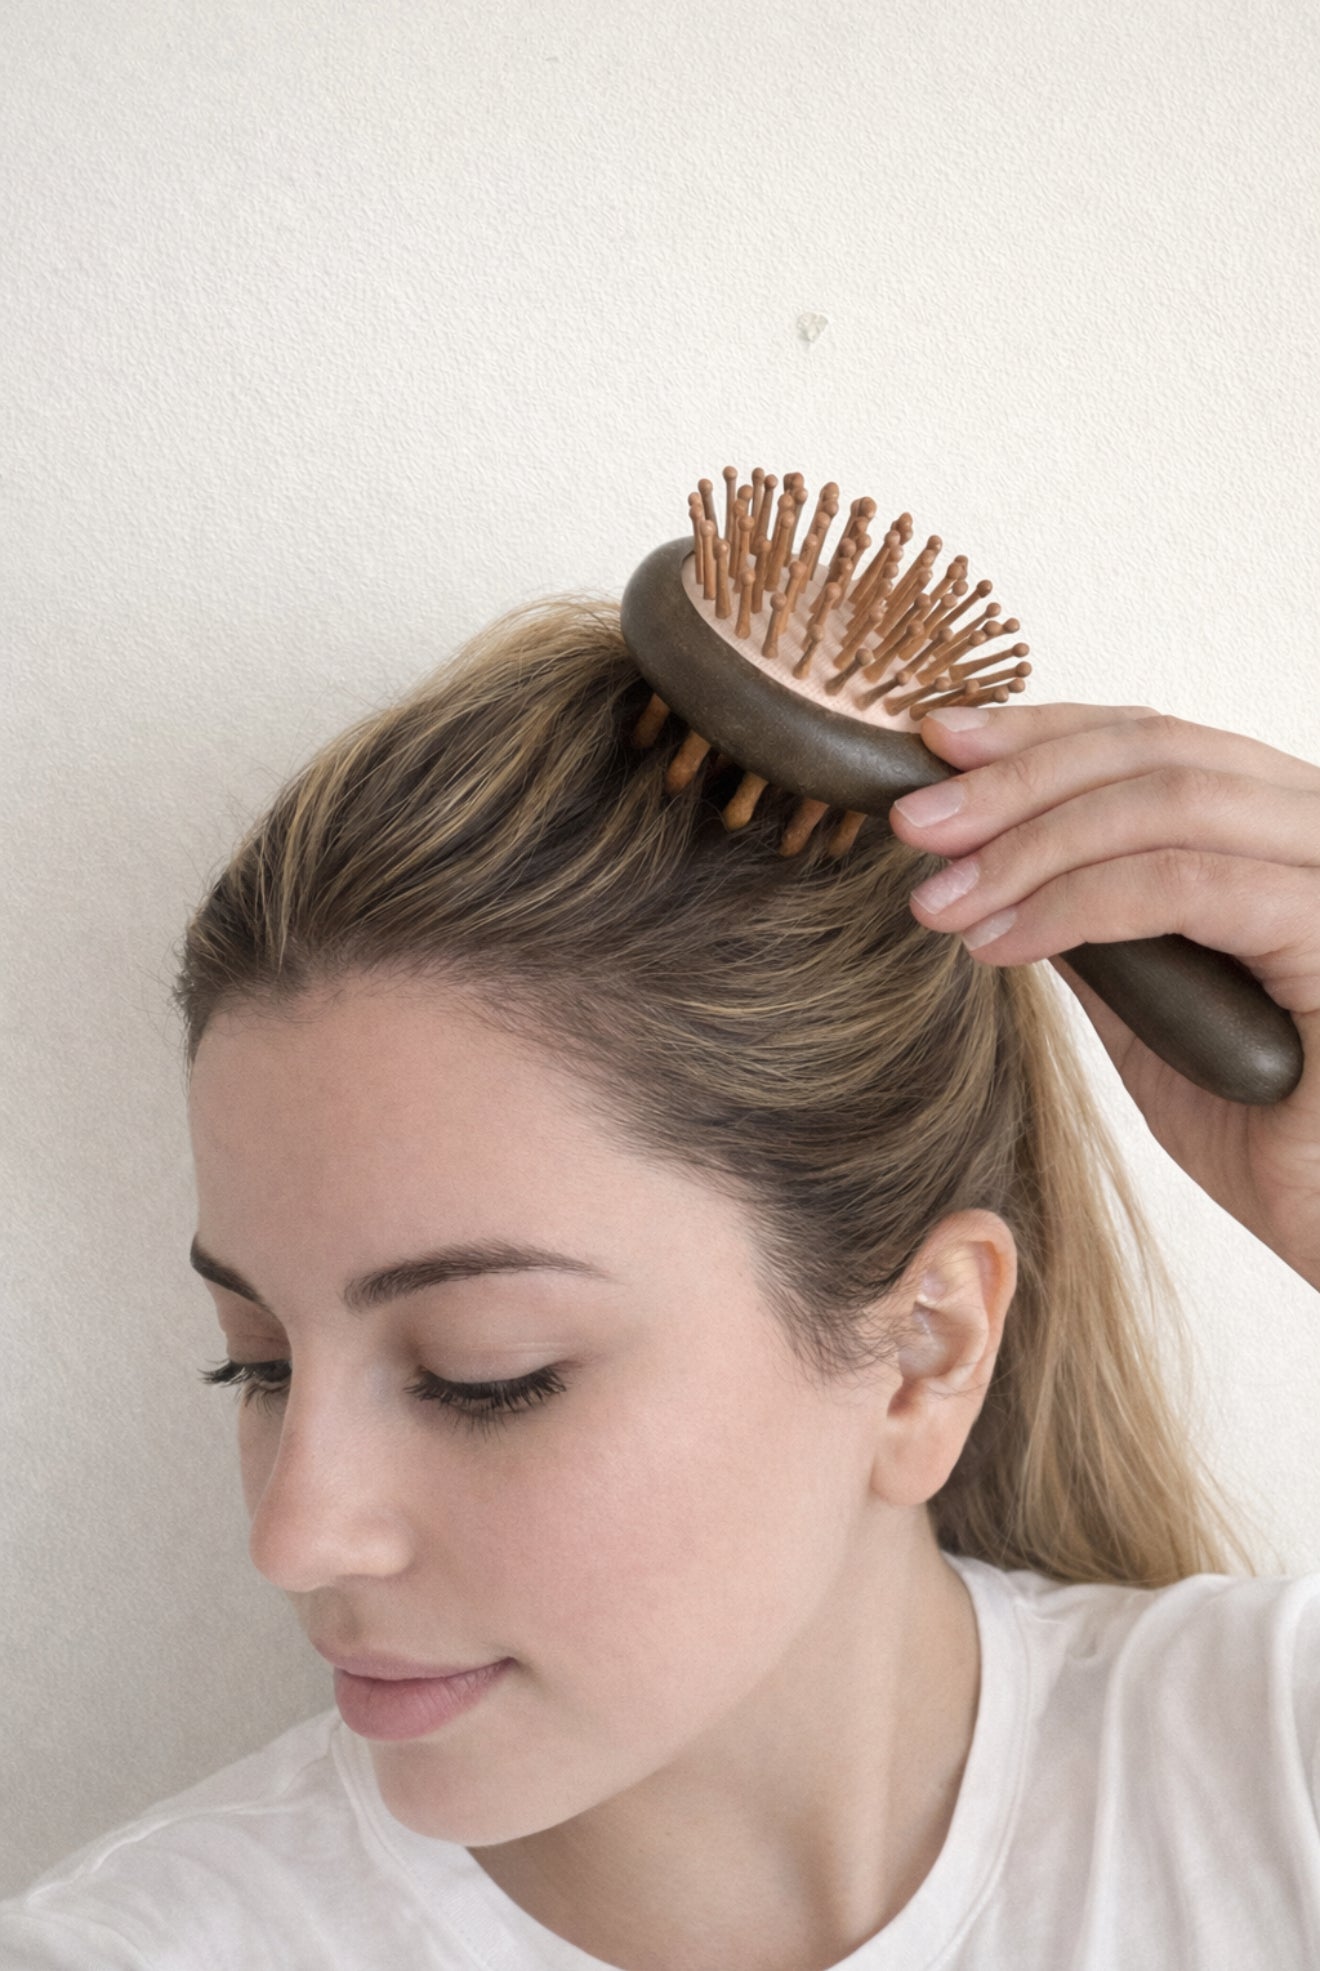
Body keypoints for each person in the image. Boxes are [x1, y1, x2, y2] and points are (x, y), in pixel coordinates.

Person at [2, 594, 1317, 1970]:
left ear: (925, 1347)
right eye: (259, 1364)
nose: (296, 1537)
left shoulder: (1279, 1778)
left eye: (483, 1375)